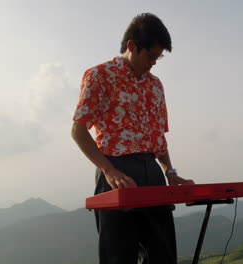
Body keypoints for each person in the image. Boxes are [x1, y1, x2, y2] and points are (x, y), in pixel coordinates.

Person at [71, 13, 194, 264]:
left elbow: (158, 138)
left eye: (158, 57)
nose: (154, 63)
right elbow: (78, 130)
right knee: (119, 257)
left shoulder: (155, 85)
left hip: (153, 172)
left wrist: (170, 171)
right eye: (150, 56)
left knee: (163, 255)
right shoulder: (100, 75)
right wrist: (108, 169)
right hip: (118, 174)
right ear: (132, 46)